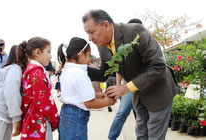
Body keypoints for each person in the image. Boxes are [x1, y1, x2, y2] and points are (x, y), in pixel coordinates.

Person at [82, 9, 177, 140]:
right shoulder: (102, 46)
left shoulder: (135, 32)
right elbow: (104, 73)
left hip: (158, 90)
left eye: (92, 32)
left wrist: (126, 87)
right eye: (87, 33)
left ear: (106, 25)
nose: (90, 38)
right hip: (139, 93)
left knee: (155, 134)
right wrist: (77, 67)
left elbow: (158, 65)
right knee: (141, 132)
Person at [57, 37, 116, 140]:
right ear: (81, 53)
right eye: (88, 55)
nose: (89, 60)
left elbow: (74, 93)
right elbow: (89, 103)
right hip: (76, 117)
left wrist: (97, 95)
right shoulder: (80, 74)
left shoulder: (67, 70)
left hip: (66, 113)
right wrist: (108, 102)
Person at [17, 37, 58, 140]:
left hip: (31, 120)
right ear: (37, 52)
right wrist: (54, 120)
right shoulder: (36, 73)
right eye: (48, 52)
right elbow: (45, 102)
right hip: (39, 122)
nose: (50, 56)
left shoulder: (32, 71)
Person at [108, 18, 142, 140]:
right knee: (122, 112)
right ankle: (111, 137)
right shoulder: (124, 47)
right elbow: (119, 69)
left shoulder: (145, 44)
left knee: (141, 115)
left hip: (144, 84)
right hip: (128, 85)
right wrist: (118, 86)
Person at [0, 45, 22, 140]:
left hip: (2, 115)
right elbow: (11, 94)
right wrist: (16, 118)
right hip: (0, 115)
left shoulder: (8, 68)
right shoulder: (14, 69)